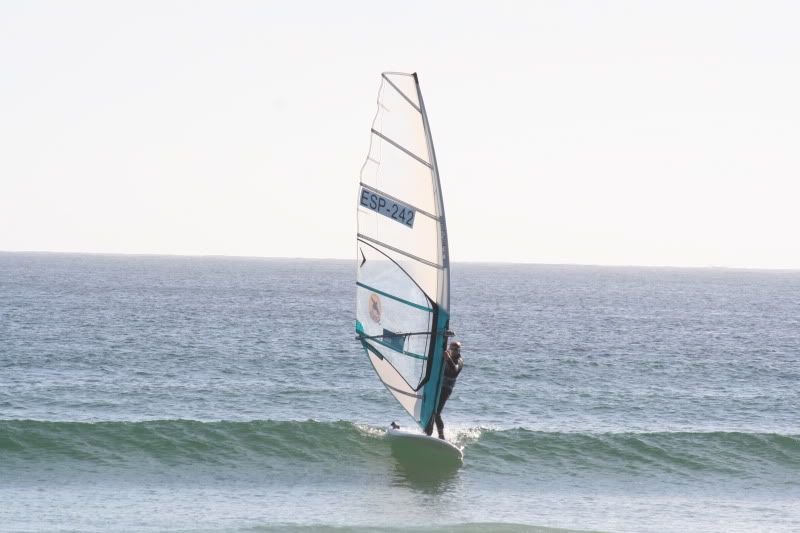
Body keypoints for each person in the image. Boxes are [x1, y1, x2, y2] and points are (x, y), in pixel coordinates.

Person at [425, 341, 464, 439]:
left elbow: (454, 370)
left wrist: (448, 358)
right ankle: (427, 431)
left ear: (459, 350)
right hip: (437, 386)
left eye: (456, 349)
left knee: (437, 412)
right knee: (430, 408)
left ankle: (441, 436)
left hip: (446, 388)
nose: (454, 351)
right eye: (452, 349)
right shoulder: (446, 357)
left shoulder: (459, 360)